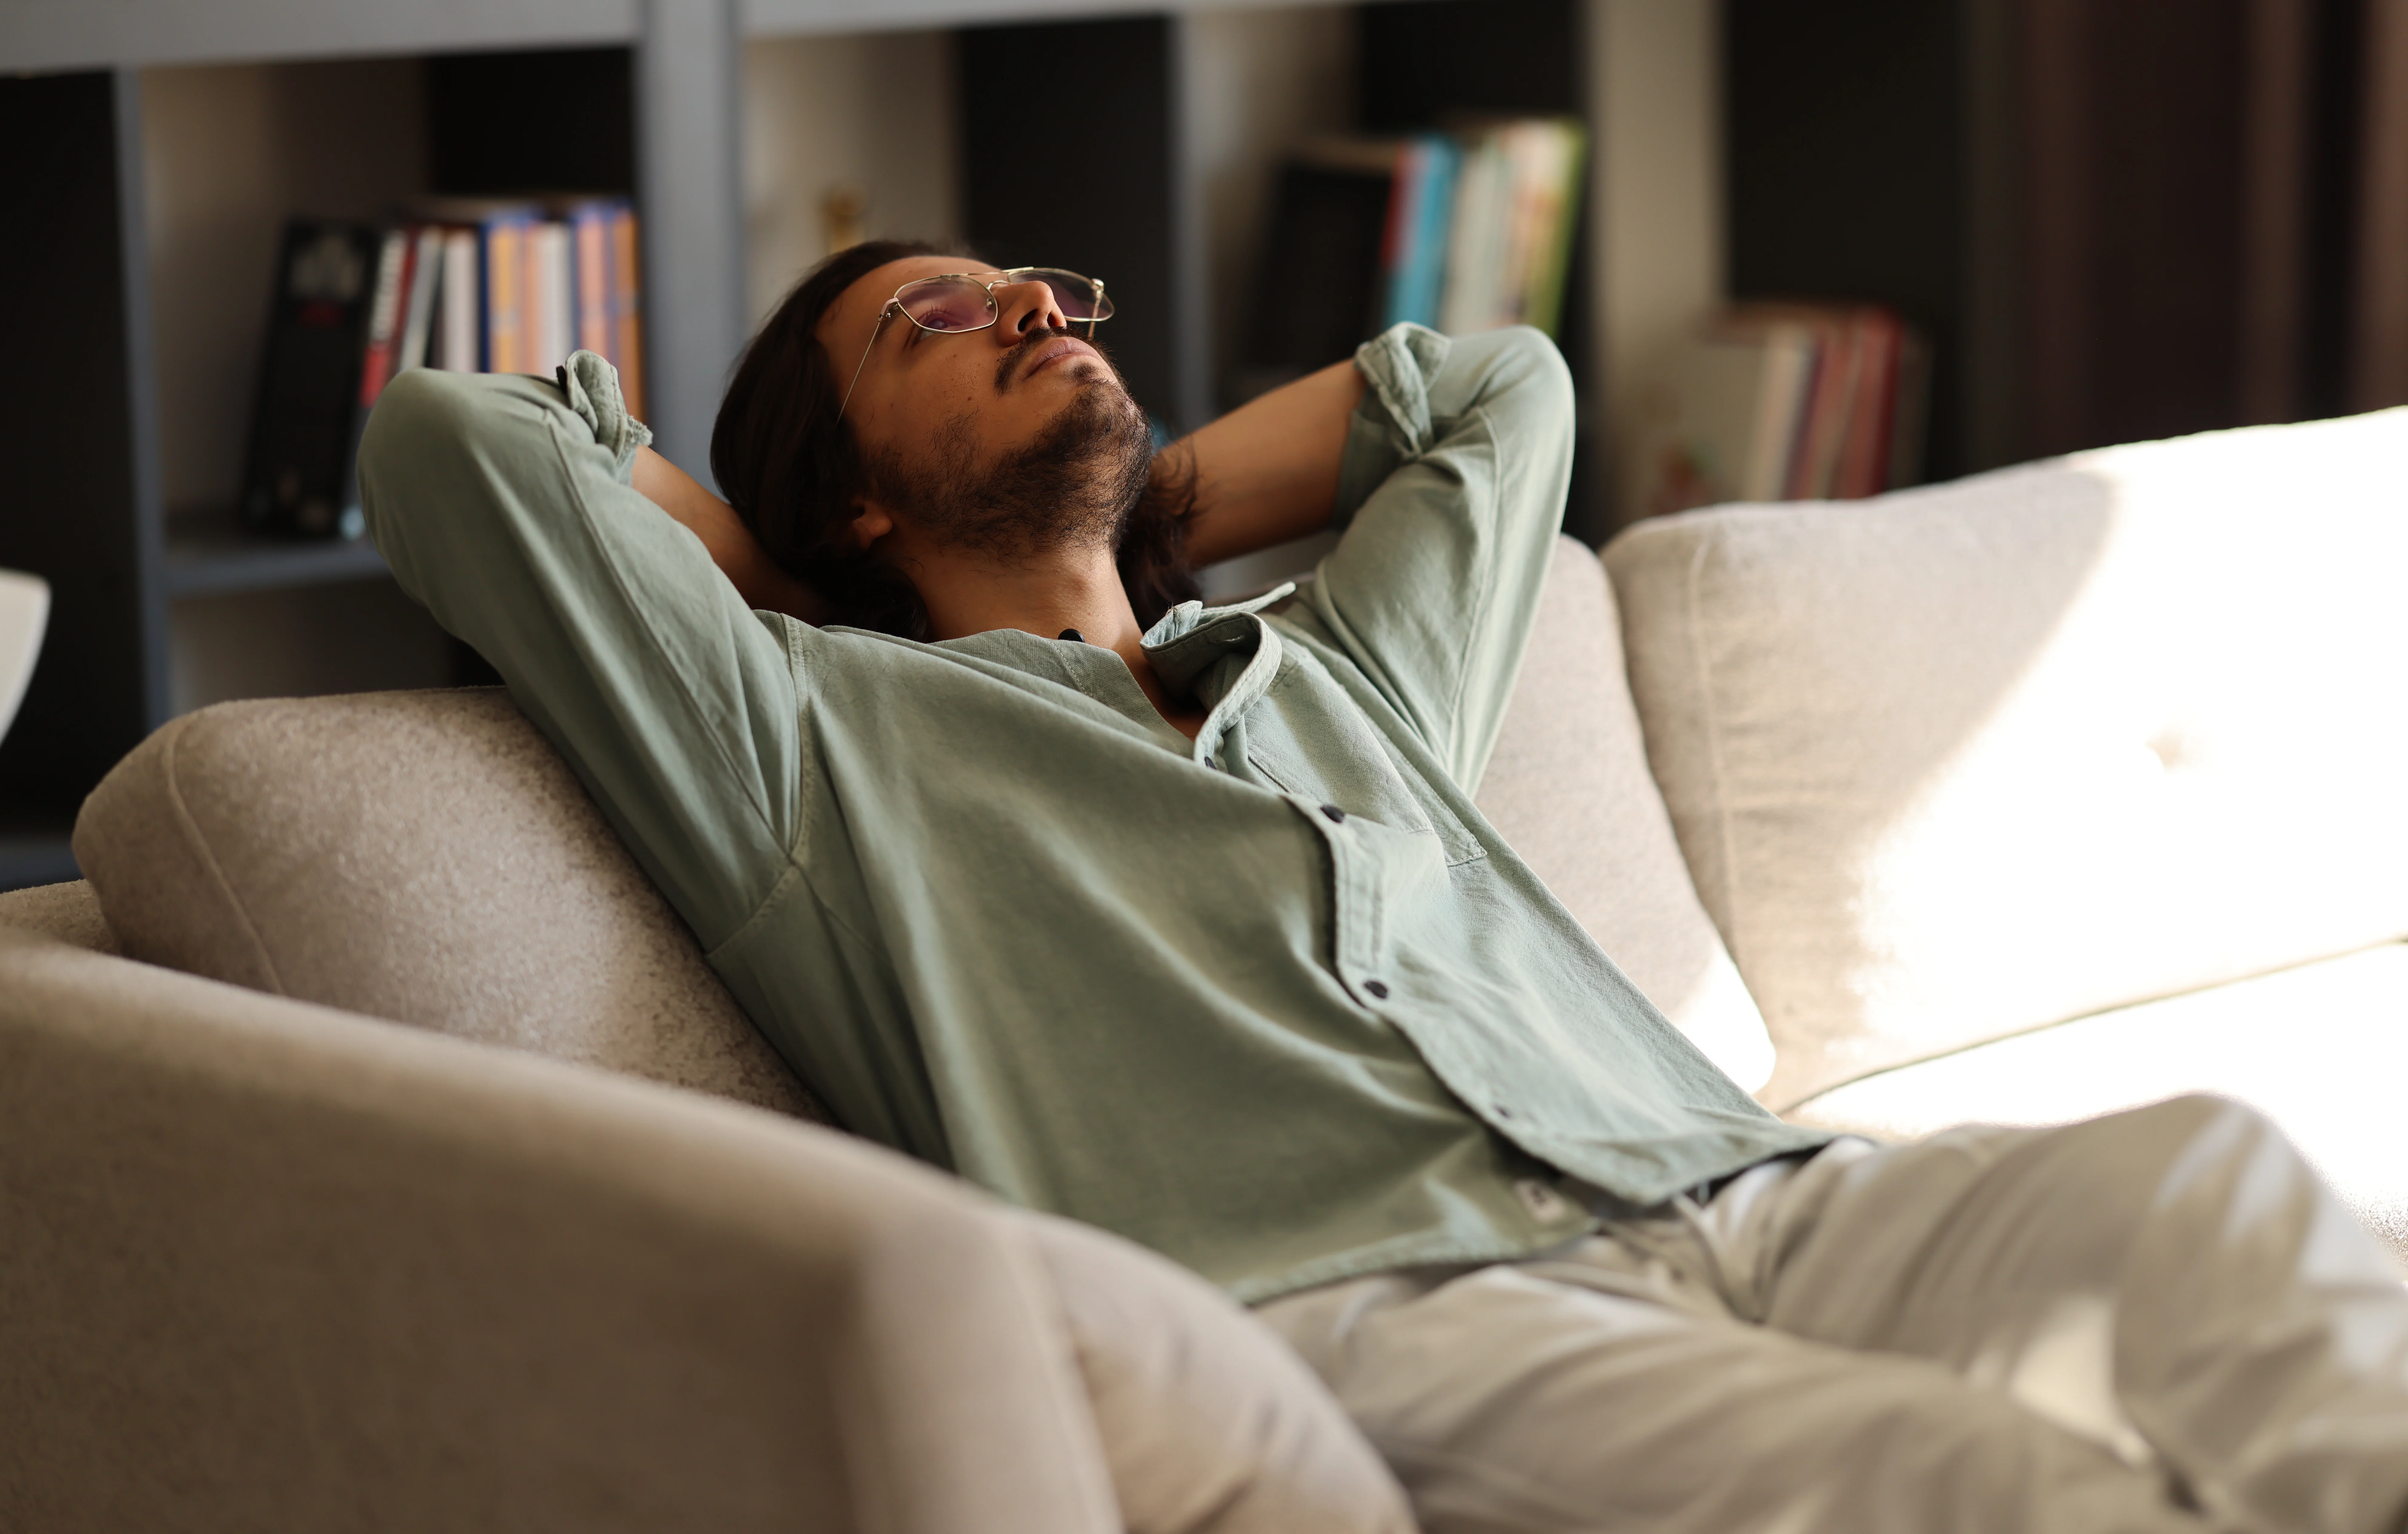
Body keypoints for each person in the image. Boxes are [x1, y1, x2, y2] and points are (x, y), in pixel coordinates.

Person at [359, 241, 2408, 1534]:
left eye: (1050, 298)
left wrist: (1136, 499)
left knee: (2211, 1186)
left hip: (1740, 1181)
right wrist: (799, 581)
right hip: (1405, 1307)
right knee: (1984, 1494)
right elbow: (455, 446)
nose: (1038, 315)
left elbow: (1498, 393)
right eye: (941, 320)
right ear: (854, 491)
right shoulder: (813, 745)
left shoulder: (1336, 676)